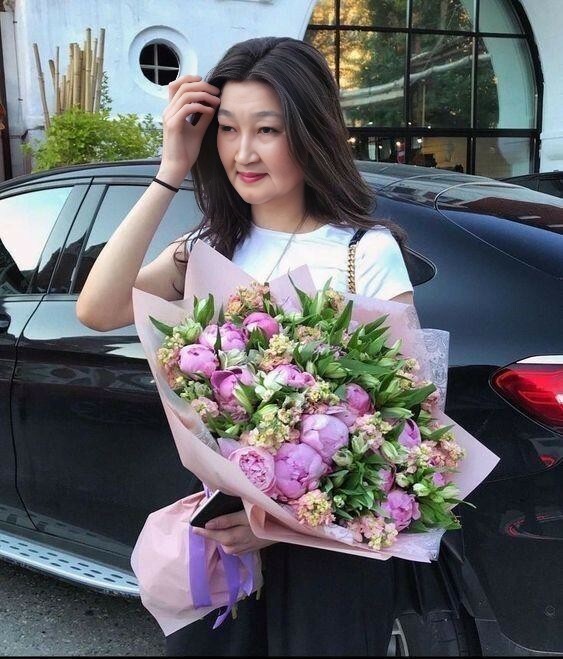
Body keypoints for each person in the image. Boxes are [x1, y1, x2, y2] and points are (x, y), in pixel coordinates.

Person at [77, 36, 414, 656]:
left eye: (267, 130)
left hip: (328, 549)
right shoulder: (209, 246)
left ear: (309, 133)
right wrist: (171, 169)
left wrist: (280, 523)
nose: (243, 152)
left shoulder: (361, 253)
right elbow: (97, 309)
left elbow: (403, 424)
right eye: (228, 129)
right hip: (225, 533)